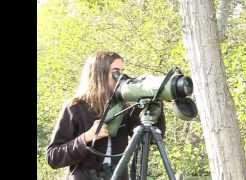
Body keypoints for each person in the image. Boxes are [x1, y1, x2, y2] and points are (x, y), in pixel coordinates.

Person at [47, 51, 166, 180]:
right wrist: (86, 137)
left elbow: (148, 140)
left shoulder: (126, 106)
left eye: (122, 71)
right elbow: (53, 157)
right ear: (99, 74)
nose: (121, 77)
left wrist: (154, 108)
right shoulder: (75, 107)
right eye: (116, 72)